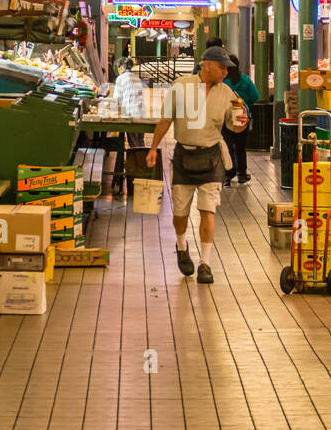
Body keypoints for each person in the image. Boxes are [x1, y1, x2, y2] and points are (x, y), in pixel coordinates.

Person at [146, 46, 248, 284]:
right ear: (207, 65)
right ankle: (182, 247)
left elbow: (234, 124)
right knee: (180, 214)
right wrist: (153, 148)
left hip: (212, 156)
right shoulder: (180, 86)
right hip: (184, 156)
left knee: (208, 210)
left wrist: (241, 123)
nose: (226, 72)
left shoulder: (227, 93)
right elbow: (165, 120)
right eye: (222, 67)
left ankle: (205, 263)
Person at [109, 58, 148, 196]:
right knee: (140, 145)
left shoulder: (120, 79)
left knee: (133, 146)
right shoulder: (136, 78)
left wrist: (111, 113)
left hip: (130, 115)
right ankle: (143, 174)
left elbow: (116, 100)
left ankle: (135, 176)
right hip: (141, 114)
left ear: (121, 67)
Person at [222, 54, 260, 186]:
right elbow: (255, 96)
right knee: (240, 146)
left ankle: (228, 175)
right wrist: (245, 104)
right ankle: (242, 174)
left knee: (227, 146)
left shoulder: (222, 82)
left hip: (226, 118)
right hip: (242, 117)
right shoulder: (245, 79)